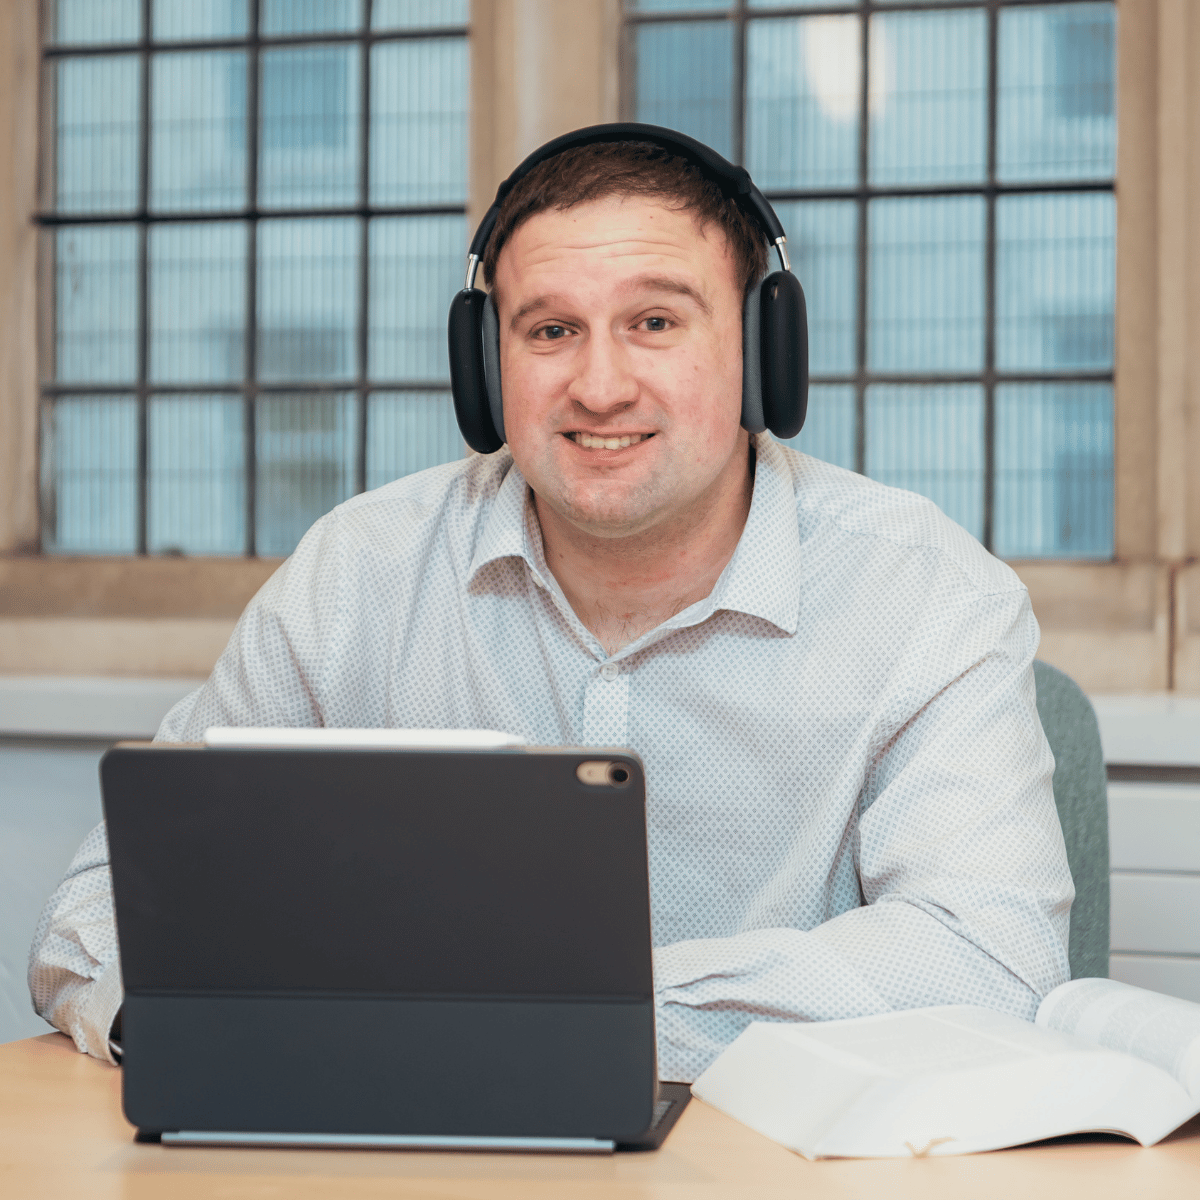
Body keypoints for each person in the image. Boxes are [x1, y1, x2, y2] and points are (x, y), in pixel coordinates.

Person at [29, 129, 1073, 1085]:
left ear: (762, 353)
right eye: (550, 330)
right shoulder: (361, 575)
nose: (600, 384)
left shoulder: (926, 593)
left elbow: (989, 959)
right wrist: (183, 1027)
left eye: (655, 321)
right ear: (486, 369)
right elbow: (100, 918)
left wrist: (552, 1018)